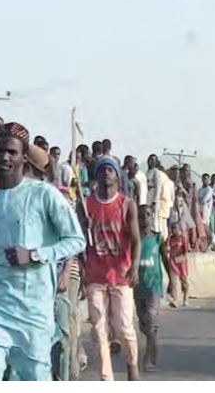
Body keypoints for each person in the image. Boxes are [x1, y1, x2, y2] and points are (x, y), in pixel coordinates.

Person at [0, 123, 85, 381]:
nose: (4, 157)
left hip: (32, 311)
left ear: (23, 158)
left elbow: (76, 240)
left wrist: (36, 254)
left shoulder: (44, 195)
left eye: (12, 152)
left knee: (33, 377)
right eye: (0, 151)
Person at [84, 156, 141, 381]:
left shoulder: (127, 204)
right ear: (96, 176)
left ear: (118, 175)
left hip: (121, 274)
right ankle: (106, 378)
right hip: (95, 275)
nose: (106, 173)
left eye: (110, 170)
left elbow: (136, 239)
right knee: (99, 330)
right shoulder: (86, 204)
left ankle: (132, 363)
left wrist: (135, 266)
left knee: (124, 327)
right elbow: (79, 238)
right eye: (102, 170)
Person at [134, 206, 163, 373]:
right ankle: (155, 347)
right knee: (145, 326)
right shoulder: (134, 239)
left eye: (148, 215)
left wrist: (173, 282)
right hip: (139, 287)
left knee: (151, 319)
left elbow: (165, 258)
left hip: (154, 285)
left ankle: (147, 358)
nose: (145, 219)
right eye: (141, 216)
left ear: (153, 218)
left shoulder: (158, 238)